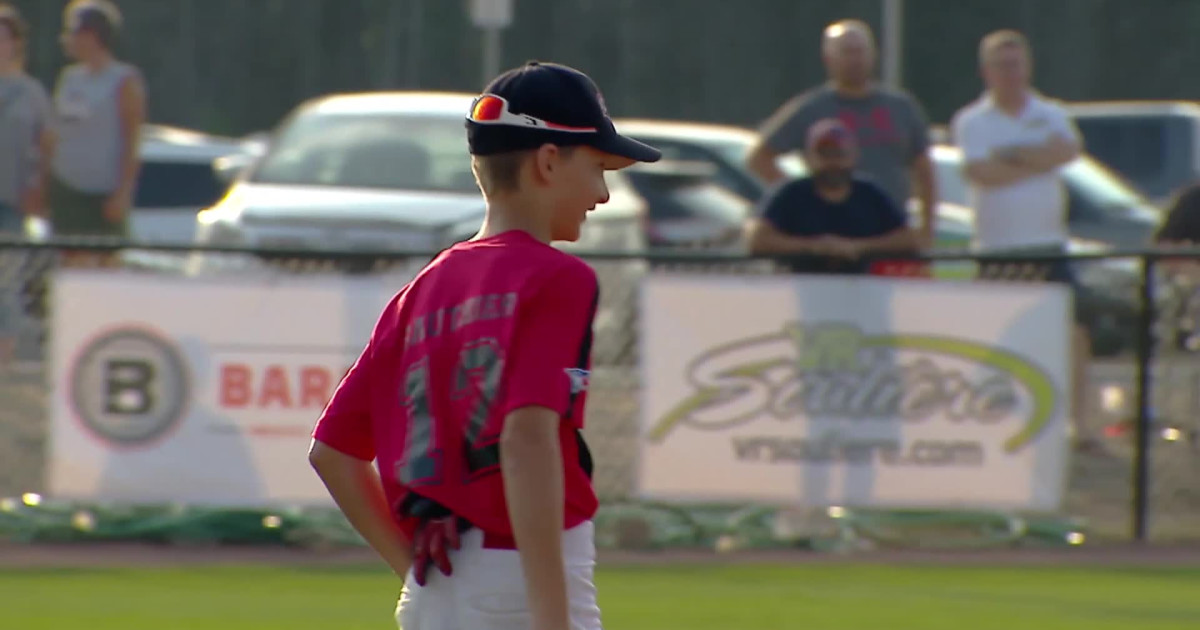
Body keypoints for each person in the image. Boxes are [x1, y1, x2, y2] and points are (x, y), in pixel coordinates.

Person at [308, 61, 661, 630]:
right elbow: (526, 439)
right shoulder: (556, 278)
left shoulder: (422, 289)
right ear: (548, 161)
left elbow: (333, 453)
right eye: (597, 167)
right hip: (520, 584)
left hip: (434, 591)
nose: (601, 193)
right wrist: (551, 616)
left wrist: (414, 575)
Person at [951, 29, 1092, 449]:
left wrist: (1011, 155)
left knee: (1075, 331)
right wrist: (1037, 157)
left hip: (1048, 245)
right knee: (998, 335)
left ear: (1028, 67)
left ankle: (1080, 425)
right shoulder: (972, 121)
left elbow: (1067, 152)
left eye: (1016, 64)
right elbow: (981, 173)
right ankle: (997, 420)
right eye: (1001, 65)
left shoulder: (1051, 112)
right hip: (997, 248)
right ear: (986, 72)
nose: (1010, 73)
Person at [746, 19, 937, 247]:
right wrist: (801, 199)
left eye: (860, 51)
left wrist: (926, 229)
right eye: (847, 52)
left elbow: (924, 172)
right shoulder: (812, 108)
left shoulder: (901, 107)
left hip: (886, 234)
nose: (855, 60)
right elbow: (759, 158)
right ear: (828, 59)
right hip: (825, 239)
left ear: (873, 55)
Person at [745, 118, 920, 273]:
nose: (833, 162)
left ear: (854, 156)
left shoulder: (870, 193)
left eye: (839, 154)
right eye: (825, 154)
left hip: (864, 289)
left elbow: (908, 239)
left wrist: (858, 247)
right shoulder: (791, 193)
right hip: (800, 287)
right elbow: (757, 239)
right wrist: (814, 247)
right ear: (808, 158)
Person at [47, 0, 145, 242]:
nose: (65, 39)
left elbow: (132, 140)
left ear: (91, 35)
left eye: (71, 31)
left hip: (103, 195)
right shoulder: (69, 78)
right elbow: (57, 132)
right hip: (66, 189)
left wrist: (124, 192)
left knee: (103, 259)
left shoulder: (124, 80)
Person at [0, 4, 51, 366]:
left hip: (11, 202)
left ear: (16, 43)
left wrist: (38, 188)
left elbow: (47, 144)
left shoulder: (30, 93)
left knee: (6, 285)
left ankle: (4, 362)